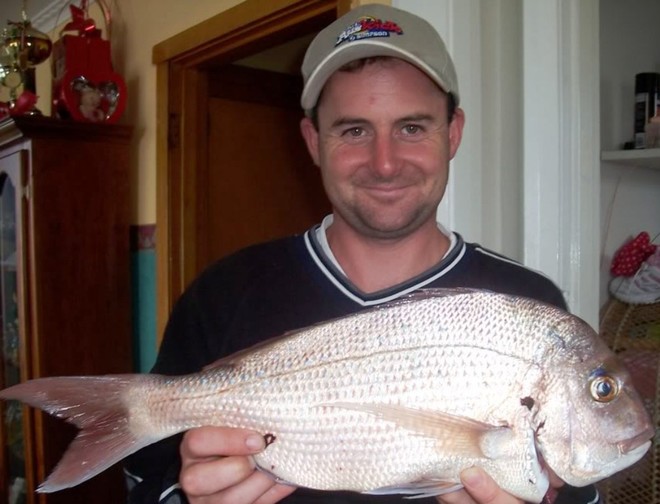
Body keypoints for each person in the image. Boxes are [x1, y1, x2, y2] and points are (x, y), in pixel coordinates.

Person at [125, 5, 602, 504]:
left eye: (412, 128)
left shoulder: (529, 305)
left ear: (453, 132)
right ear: (313, 141)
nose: (385, 162)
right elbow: (145, 482)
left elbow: (574, 483)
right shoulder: (222, 294)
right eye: (354, 130)